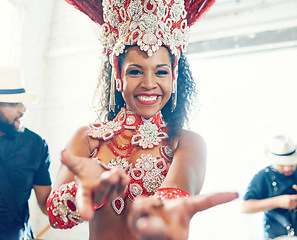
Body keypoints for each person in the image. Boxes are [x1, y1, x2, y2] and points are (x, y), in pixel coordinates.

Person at [46, 0, 238, 239]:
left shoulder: (185, 143)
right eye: (135, 71)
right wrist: (85, 192)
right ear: (118, 75)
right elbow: (54, 215)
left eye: (161, 72)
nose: (149, 84)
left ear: (174, 76)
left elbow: (174, 196)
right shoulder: (86, 138)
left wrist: (162, 214)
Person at [0, 66, 52, 240]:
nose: (23, 109)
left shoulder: (35, 145)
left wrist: (76, 195)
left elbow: (47, 205)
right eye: (14, 103)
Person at [242, 135, 297, 239]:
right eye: (282, 164)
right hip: (277, 234)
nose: (287, 168)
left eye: (291, 163)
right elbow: (246, 207)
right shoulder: (263, 176)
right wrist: (279, 201)